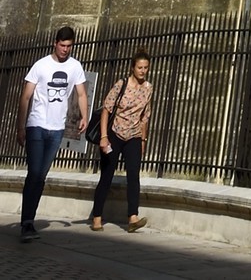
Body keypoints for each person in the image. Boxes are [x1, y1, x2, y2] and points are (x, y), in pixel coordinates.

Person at [18, 26, 88, 238]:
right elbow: (26, 97)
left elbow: (81, 93)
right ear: (55, 43)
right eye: (62, 45)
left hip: (57, 128)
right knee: (34, 172)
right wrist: (20, 126)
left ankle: (29, 219)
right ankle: (27, 222)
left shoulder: (75, 66)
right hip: (37, 125)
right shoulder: (41, 65)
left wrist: (85, 116)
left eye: (69, 46)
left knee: (41, 175)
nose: (65, 49)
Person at [89, 53, 152, 233]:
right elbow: (106, 109)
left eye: (145, 68)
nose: (142, 71)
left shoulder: (148, 88)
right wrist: (103, 136)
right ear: (133, 67)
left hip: (134, 135)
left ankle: (133, 217)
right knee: (107, 175)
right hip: (114, 133)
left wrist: (143, 139)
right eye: (139, 67)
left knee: (133, 175)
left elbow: (145, 116)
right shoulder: (121, 84)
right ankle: (97, 217)